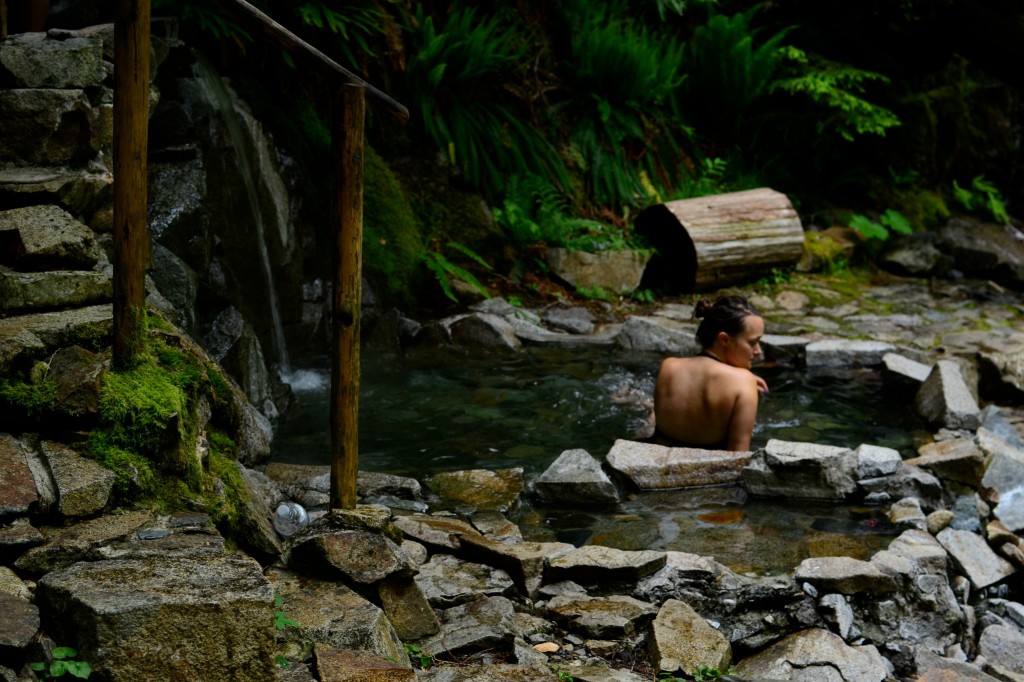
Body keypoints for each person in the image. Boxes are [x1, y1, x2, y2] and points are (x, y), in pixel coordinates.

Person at [652, 295, 768, 451]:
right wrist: (745, 381)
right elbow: (738, 458)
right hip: (708, 471)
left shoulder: (668, 366)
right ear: (724, 340)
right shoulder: (743, 382)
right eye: (753, 342)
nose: (758, 351)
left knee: (650, 416)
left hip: (658, 462)